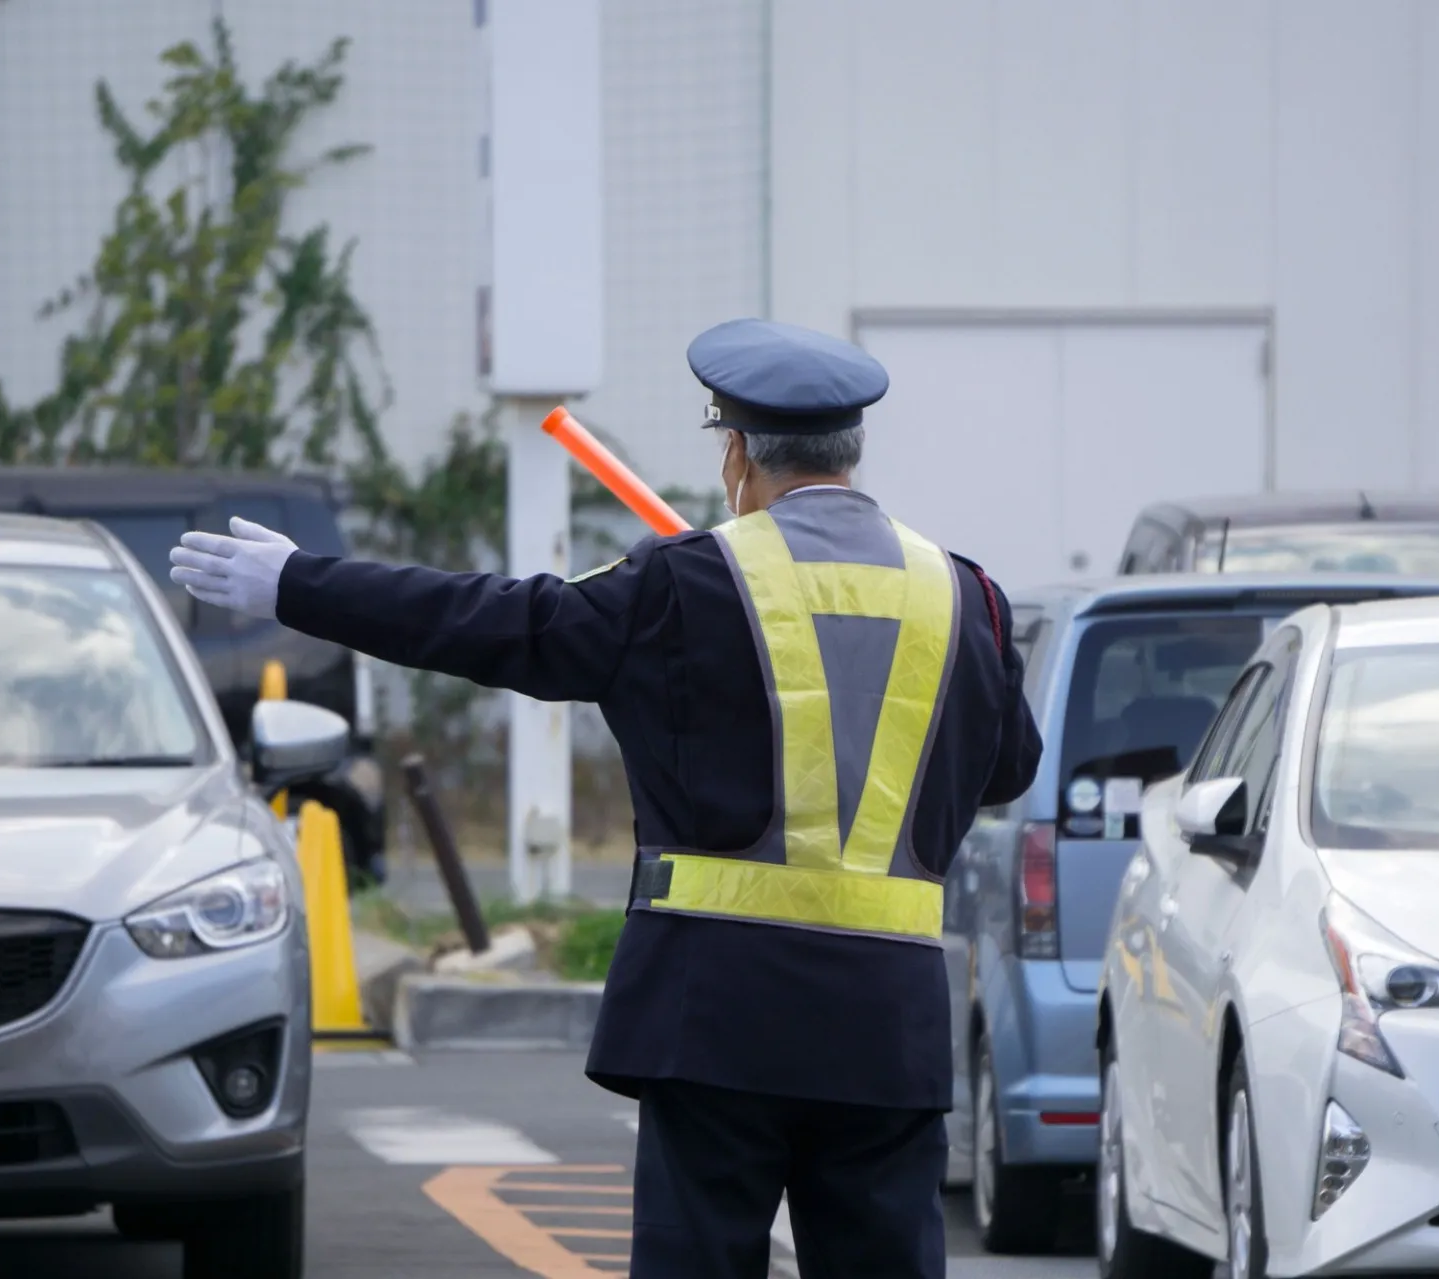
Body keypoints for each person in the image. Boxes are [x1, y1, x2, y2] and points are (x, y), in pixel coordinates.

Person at [168, 317, 1043, 1278]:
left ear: (738, 454)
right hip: (889, 1031)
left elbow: (498, 624)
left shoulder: (683, 584)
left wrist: (301, 584)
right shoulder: (968, 596)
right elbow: (1005, 769)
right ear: (853, 452)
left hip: (715, 1026)